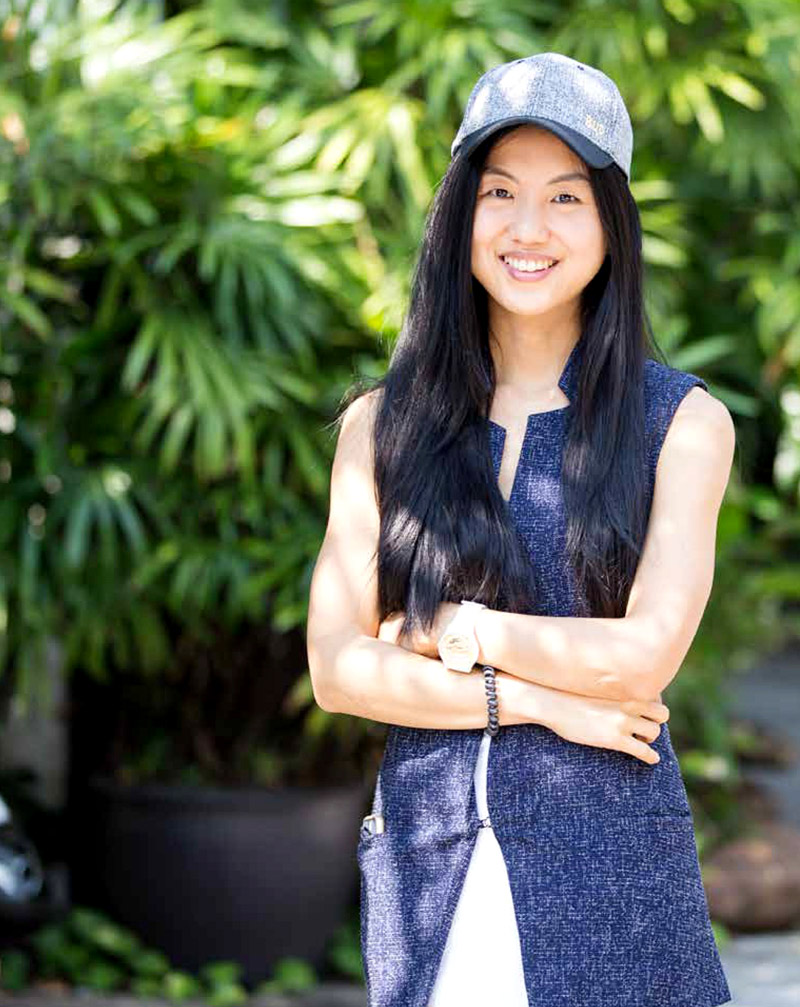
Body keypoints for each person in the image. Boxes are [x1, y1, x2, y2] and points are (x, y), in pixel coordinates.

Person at [306, 51, 735, 1007]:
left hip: (614, 892)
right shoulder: (383, 425)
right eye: (500, 192)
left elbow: (641, 658)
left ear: (611, 223)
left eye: (565, 198)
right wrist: (543, 702)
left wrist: (451, 629)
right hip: (427, 880)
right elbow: (337, 669)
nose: (528, 228)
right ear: (460, 212)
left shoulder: (681, 424)